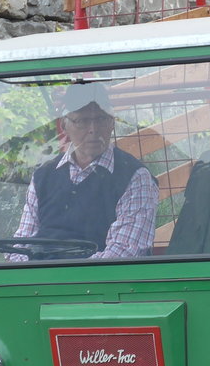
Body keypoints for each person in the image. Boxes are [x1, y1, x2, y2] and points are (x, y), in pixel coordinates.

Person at [12, 82, 157, 259]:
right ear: (64, 125)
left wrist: (62, 276)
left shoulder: (135, 176)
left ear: (112, 122)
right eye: (82, 121)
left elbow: (124, 252)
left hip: (99, 282)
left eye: (101, 119)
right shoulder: (43, 175)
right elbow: (21, 242)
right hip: (39, 281)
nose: (93, 130)